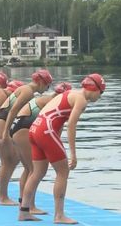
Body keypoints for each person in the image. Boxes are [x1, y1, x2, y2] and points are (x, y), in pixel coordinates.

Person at [18, 74, 105, 224]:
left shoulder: (69, 93)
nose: (100, 96)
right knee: (63, 172)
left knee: (37, 172)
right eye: (101, 92)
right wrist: (73, 155)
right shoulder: (81, 100)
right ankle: (59, 215)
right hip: (45, 131)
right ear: (95, 89)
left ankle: (24, 211)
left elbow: (55, 117)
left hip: (35, 129)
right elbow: (71, 125)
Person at [0, 69, 52, 205]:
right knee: (8, 163)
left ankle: (2, 194)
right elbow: (13, 110)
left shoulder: (24, 89)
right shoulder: (28, 91)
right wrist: (6, 133)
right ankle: (3, 197)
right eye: (47, 85)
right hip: (1, 124)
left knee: (12, 162)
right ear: (41, 82)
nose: (47, 89)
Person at [11, 82, 72, 214]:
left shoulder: (46, 99)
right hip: (24, 129)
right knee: (34, 171)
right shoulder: (55, 103)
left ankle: (24, 204)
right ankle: (29, 207)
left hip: (19, 128)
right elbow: (56, 129)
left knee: (29, 169)